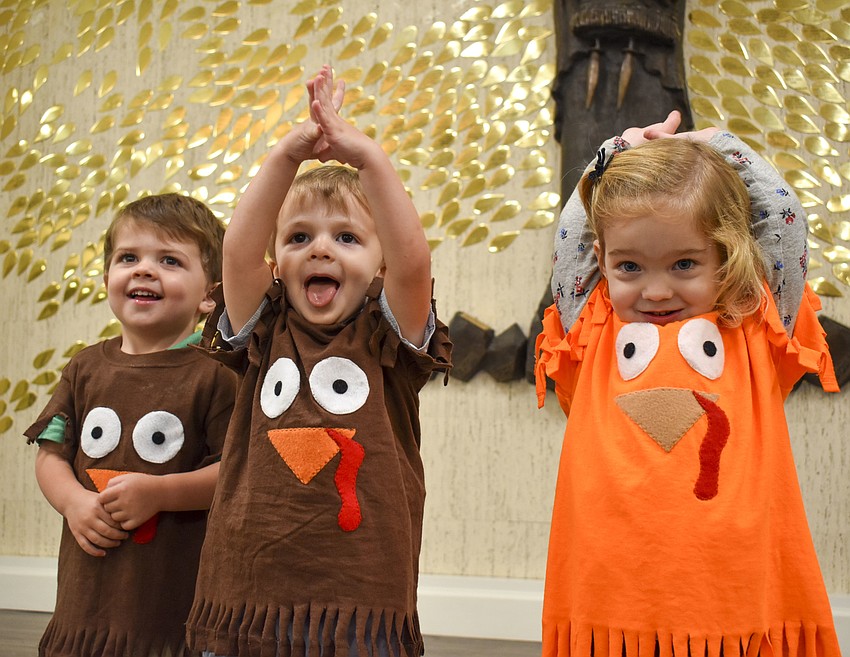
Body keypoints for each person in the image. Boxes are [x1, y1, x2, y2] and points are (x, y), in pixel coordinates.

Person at [535, 113, 842, 657]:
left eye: (683, 264)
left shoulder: (750, 321)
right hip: (613, 599)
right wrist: (615, 151)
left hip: (731, 596)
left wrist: (717, 145)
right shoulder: (593, 326)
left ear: (725, 259)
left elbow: (785, 220)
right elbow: (571, 236)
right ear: (602, 263)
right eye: (629, 266)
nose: (656, 290)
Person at [184, 66, 451, 657]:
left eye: (348, 239)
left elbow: (414, 264)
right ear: (277, 260)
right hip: (246, 590)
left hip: (359, 598)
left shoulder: (390, 340)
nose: (321, 249)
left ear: (379, 268)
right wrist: (287, 155)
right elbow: (236, 249)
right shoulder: (264, 330)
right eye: (299, 237)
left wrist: (369, 159)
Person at [25, 193, 237, 657]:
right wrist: (73, 501)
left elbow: (237, 473)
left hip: (168, 604)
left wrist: (161, 493)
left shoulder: (217, 374)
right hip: (86, 601)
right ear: (107, 280)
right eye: (129, 257)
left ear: (210, 295)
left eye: (169, 260)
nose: (144, 269)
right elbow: (51, 453)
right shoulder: (84, 369)